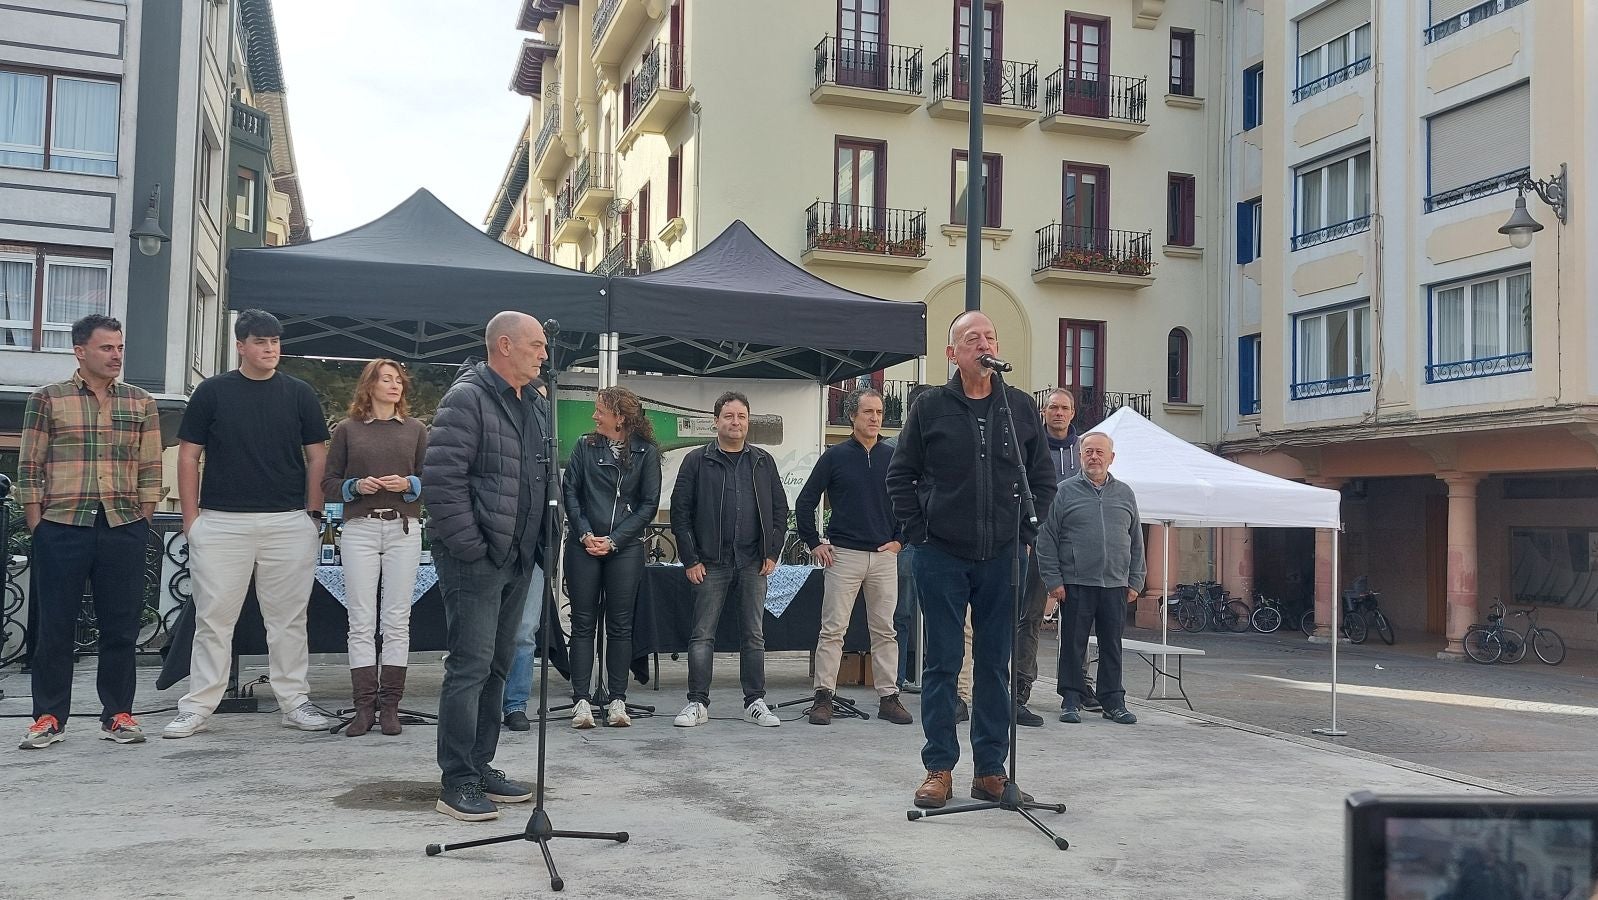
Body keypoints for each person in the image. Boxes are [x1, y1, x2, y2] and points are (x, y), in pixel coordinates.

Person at [887, 311, 1057, 810]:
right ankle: (939, 768)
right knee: (942, 663)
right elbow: (901, 477)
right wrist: (919, 533)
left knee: (995, 665)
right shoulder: (930, 408)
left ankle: (990, 771)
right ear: (952, 353)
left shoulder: (1020, 408)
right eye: (971, 338)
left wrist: (1026, 531)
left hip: (1003, 556)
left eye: (989, 336)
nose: (983, 343)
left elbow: (1042, 479)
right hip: (940, 553)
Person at [163, 309, 334, 739]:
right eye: (261, 342)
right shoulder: (212, 392)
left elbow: (318, 455)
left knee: (289, 619)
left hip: (289, 521)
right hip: (220, 522)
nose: (271, 349)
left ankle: (294, 701)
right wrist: (191, 520)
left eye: (275, 341)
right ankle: (199, 705)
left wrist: (313, 514)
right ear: (241, 345)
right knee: (214, 619)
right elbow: (188, 455)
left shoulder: (299, 394)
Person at [16, 315, 164, 749]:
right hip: (62, 524)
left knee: (120, 626)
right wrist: (34, 521)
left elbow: (150, 465)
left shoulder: (140, 402)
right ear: (80, 351)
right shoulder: (47, 398)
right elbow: (29, 464)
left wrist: (146, 514)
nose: (116, 355)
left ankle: (118, 714)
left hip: (122, 524)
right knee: (55, 627)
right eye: (106, 348)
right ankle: (48, 717)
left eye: (119, 347)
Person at [424, 312, 550, 821]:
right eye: (537, 345)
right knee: (470, 667)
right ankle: (456, 779)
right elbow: (441, 480)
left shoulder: (533, 405)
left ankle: (481, 764)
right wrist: (470, 546)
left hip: (517, 557)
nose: (545, 354)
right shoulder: (467, 398)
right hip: (476, 559)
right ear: (505, 345)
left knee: (498, 667)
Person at [321, 359, 427, 737]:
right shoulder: (348, 430)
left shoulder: (415, 430)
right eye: (387, 379)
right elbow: (329, 482)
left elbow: (431, 479)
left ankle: (391, 707)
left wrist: (408, 485)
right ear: (370, 386)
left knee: (397, 619)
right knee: (361, 621)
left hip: (402, 528)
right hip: (360, 529)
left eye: (399, 380)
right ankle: (364, 707)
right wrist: (356, 487)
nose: (395, 385)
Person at [670, 391, 789, 728]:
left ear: (748, 422)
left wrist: (772, 551)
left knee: (754, 634)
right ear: (716, 421)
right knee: (702, 634)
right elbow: (680, 513)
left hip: (754, 562)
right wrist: (690, 558)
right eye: (729, 416)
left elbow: (780, 510)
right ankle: (697, 703)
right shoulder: (696, 460)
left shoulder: (763, 461)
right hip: (711, 563)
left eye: (741, 417)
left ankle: (755, 701)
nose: (735, 423)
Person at [795, 387, 911, 726]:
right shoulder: (835, 457)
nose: (875, 418)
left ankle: (889, 697)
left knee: (885, 631)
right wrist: (813, 542)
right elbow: (805, 501)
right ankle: (823, 697)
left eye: (878, 413)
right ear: (852, 417)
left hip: (884, 556)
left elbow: (908, 502)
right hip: (843, 556)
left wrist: (900, 541)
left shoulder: (893, 458)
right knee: (833, 630)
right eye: (868, 413)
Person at [561, 386, 661, 729]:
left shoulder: (647, 453)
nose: (594, 416)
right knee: (583, 623)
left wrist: (616, 540)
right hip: (583, 545)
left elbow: (649, 504)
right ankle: (581, 701)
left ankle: (618, 699)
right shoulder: (584, 446)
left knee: (621, 625)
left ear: (620, 417)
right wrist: (586, 533)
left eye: (599, 410)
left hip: (625, 548)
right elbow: (570, 493)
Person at [1036, 432, 1146, 725]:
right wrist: (1053, 580)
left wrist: (1136, 579)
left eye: (1100, 452)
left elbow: (1136, 540)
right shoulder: (1063, 492)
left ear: (1111, 458)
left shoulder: (1125, 494)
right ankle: (1071, 698)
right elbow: (1046, 540)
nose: (1094, 457)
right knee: (1073, 643)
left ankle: (1113, 700)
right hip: (1075, 583)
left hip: (1116, 584)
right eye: (1088, 452)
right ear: (1080, 456)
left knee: (1112, 644)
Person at [1015, 388, 1092, 727]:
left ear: (1073, 413)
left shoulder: (1085, 451)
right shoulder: (1031, 447)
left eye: (1064, 408)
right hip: (1037, 543)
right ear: (1043, 413)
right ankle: (1019, 690)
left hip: (1075, 547)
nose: (1058, 413)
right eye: (1052, 408)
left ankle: (1078, 687)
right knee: (1028, 616)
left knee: (1078, 620)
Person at [501, 378, 550, 732]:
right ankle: (485, 701)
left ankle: (515, 704)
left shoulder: (546, 438)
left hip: (532, 548)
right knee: (487, 632)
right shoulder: (496, 429)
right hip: (494, 545)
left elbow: (554, 488)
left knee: (525, 630)